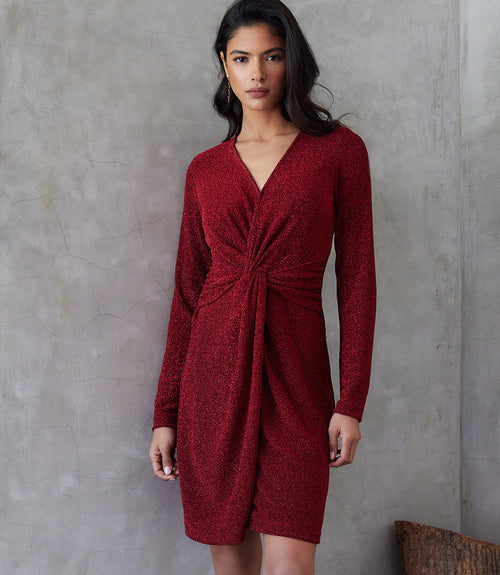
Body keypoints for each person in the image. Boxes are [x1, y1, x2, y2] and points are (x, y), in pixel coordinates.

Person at [149, 0, 376, 573]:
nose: (257, 73)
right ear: (224, 65)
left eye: (272, 57)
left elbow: (357, 281)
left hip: (297, 382)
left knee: (290, 566)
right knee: (232, 567)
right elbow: (187, 296)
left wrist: (351, 402)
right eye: (242, 58)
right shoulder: (205, 170)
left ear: (292, 62)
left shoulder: (338, 152)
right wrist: (165, 413)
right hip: (213, 382)